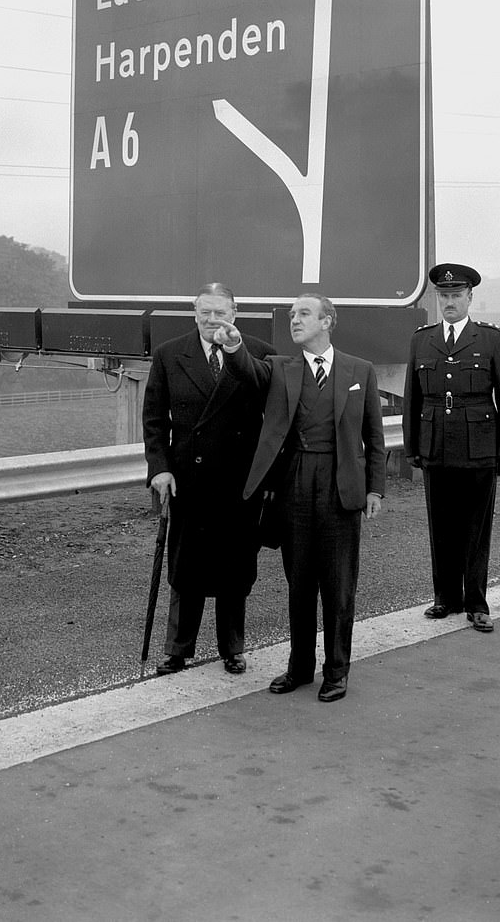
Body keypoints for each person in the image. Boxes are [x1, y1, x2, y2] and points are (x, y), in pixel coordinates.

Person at [218, 294, 385, 703]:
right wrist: (235, 346)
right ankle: (300, 668)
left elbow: (374, 438)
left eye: (304, 314)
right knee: (300, 582)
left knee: (339, 584)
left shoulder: (359, 370)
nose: (294, 320)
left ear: (327, 321)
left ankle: (337, 671)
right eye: (292, 315)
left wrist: (375, 488)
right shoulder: (280, 369)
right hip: (294, 483)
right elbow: (247, 371)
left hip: (341, 484)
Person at [142, 283, 272, 676]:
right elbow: (153, 420)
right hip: (188, 479)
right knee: (187, 567)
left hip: (239, 479)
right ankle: (178, 649)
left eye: (221, 313)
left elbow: (273, 414)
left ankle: (232, 647)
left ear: (235, 313)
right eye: (205, 313)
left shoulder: (259, 352)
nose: (213, 320)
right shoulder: (169, 354)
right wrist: (159, 468)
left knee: (235, 566)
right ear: (193, 312)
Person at [403, 264, 500, 632]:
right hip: (435, 443)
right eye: (443, 296)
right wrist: (412, 448)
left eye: (456, 295)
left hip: (478, 447)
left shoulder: (490, 340)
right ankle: (446, 598)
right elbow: (413, 399)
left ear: (470, 298)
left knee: (475, 527)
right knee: (441, 525)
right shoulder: (422, 340)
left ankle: (477, 602)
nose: (449, 302)